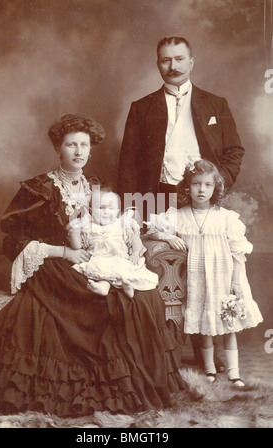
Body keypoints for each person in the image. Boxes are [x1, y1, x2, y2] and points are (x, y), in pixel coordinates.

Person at [0, 114, 185, 417]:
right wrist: (61, 251)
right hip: (55, 265)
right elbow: (12, 240)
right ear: (58, 149)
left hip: (96, 260)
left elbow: (118, 226)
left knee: (142, 297)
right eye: (70, 145)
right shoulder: (40, 188)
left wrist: (130, 248)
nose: (78, 151)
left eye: (83, 145)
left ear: (90, 149)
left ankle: (138, 377)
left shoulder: (94, 187)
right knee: (101, 299)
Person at [117, 35, 245, 368]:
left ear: (191, 61)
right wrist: (135, 210)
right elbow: (128, 164)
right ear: (157, 63)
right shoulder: (141, 107)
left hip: (203, 199)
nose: (172, 66)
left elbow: (234, 151)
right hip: (158, 199)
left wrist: (216, 189)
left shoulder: (216, 103)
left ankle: (217, 359)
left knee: (208, 269)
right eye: (165, 60)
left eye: (178, 59)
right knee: (162, 276)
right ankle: (164, 357)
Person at [146, 159, 263, 386]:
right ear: (187, 187)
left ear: (215, 188)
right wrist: (168, 236)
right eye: (196, 184)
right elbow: (151, 231)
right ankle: (209, 369)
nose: (201, 190)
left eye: (207, 185)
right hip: (198, 279)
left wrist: (236, 282)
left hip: (224, 276)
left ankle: (234, 373)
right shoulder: (178, 215)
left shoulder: (225, 217)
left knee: (230, 325)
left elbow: (238, 252)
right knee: (204, 325)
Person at [68, 188, 159, 298]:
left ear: (117, 211)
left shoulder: (122, 225)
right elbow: (77, 246)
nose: (106, 212)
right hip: (99, 260)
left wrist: (135, 253)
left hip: (121, 259)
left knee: (128, 272)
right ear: (91, 210)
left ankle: (130, 288)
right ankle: (104, 287)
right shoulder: (87, 227)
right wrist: (74, 233)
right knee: (102, 274)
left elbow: (136, 241)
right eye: (101, 208)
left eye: (111, 208)